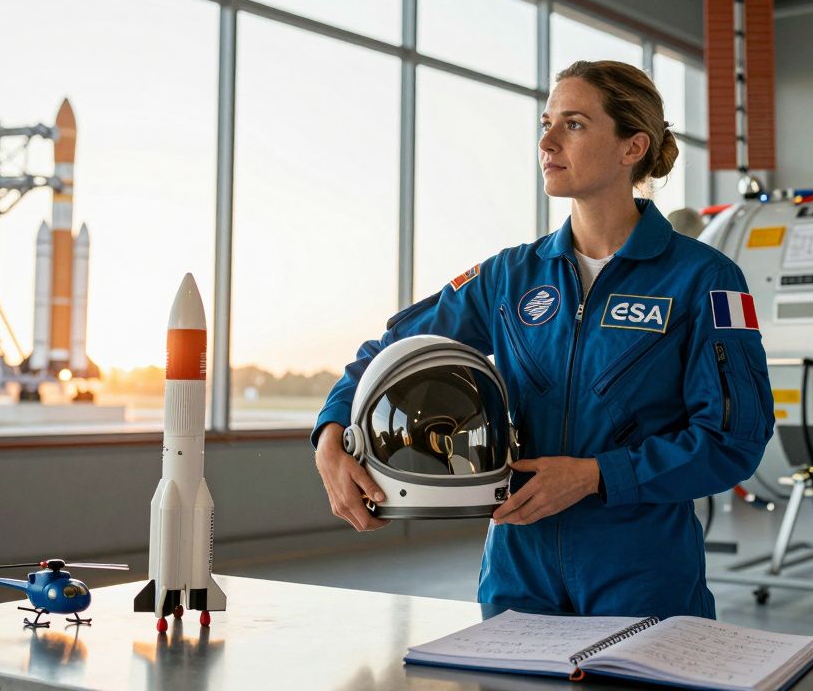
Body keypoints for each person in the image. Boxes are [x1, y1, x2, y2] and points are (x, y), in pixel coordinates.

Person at [313, 59, 773, 619]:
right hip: (516, 568)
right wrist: (332, 431)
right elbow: (392, 350)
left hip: (641, 568)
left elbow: (733, 441)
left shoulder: (703, 279)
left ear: (633, 147)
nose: (547, 140)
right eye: (546, 123)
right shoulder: (510, 277)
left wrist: (594, 477)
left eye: (574, 124)